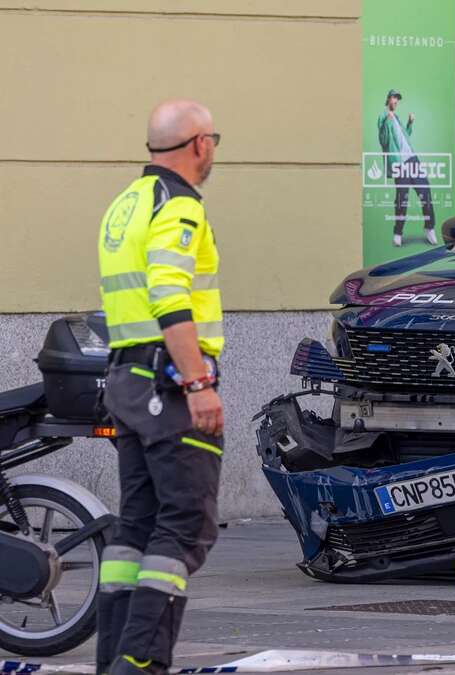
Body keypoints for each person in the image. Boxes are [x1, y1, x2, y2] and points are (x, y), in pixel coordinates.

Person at [95, 99, 225, 675]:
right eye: (214, 138)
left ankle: (112, 661)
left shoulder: (126, 203)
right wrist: (198, 382)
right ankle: (140, 664)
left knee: (135, 530)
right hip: (168, 384)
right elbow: (169, 295)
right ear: (199, 143)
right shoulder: (180, 206)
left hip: (126, 378)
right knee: (183, 527)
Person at [377, 88, 436, 247]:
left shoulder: (396, 117)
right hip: (399, 163)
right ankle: (398, 232)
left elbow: (405, 137)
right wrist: (386, 121)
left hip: (412, 160)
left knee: (425, 191)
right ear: (388, 99)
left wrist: (410, 122)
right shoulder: (384, 117)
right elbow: (383, 140)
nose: (396, 101)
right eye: (393, 98)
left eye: (397, 99)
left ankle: (429, 227)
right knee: (402, 199)